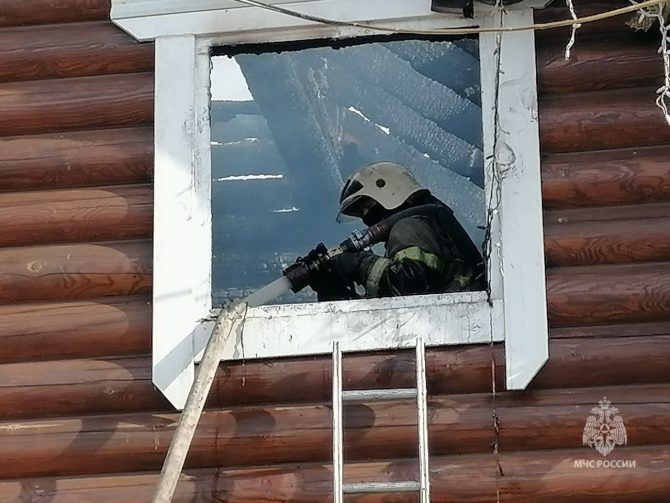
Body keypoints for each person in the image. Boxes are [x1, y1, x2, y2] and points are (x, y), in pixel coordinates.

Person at [307, 161, 485, 301]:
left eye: (367, 206)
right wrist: (330, 287)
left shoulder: (410, 227)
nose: (366, 217)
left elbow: (410, 287)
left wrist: (356, 263)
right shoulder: (423, 228)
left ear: (388, 190)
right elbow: (395, 311)